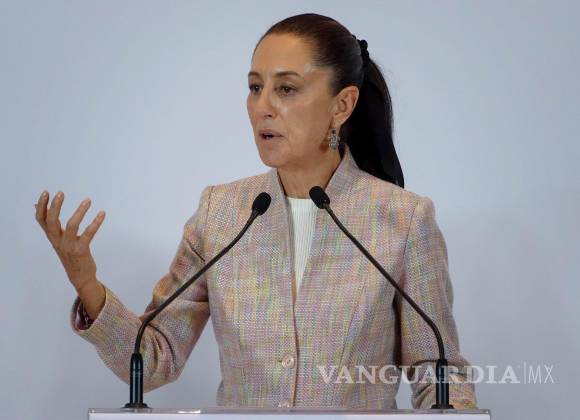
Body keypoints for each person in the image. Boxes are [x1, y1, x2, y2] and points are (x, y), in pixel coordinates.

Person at [34, 13, 477, 409]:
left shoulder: (403, 219)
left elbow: (438, 374)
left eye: (286, 88)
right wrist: (87, 284)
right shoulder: (222, 214)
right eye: (254, 87)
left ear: (341, 105)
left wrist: (454, 410)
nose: (262, 107)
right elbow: (152, 361)